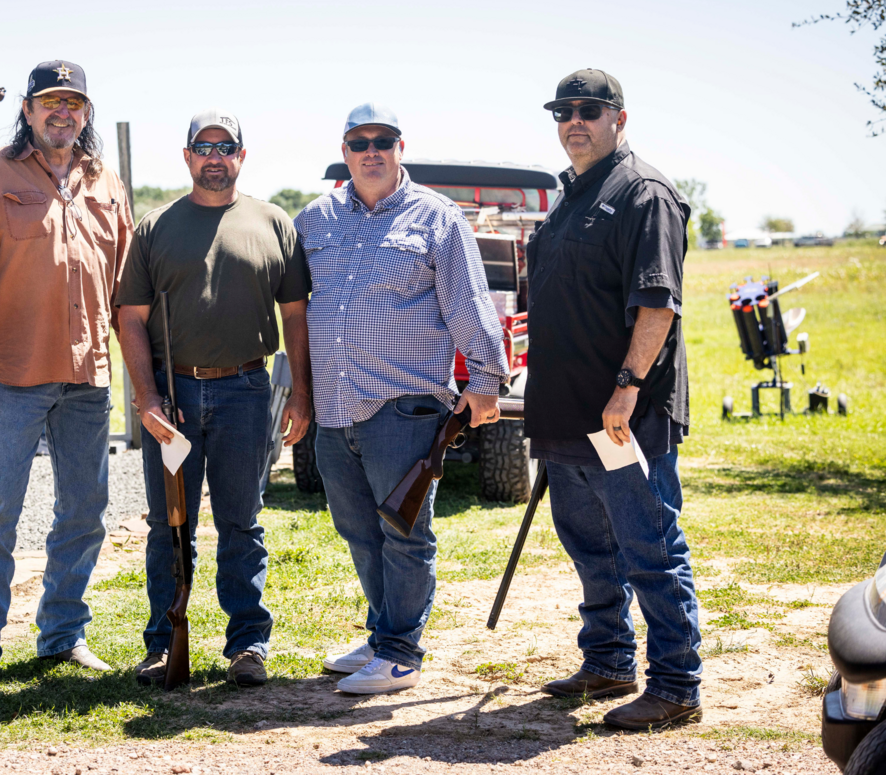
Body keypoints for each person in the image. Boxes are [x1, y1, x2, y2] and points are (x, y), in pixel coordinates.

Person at [293, 103, 509, 695]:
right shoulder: (314, 219)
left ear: (400, 147)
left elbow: (468, 301)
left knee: (404, 530)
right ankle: (382, 633)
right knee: (358, 529)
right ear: (344, 152)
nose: (372, 151)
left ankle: (400, 654)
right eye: (359, 142)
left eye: (382, 141)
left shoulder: (436, 216)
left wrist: (485, 379)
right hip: (335, 405)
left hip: (404, 404)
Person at [0, 60, 133, 685]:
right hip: (10, 375)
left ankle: (61, 635)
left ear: (86, 113)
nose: (62, 112)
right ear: (27, 110)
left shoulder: (106, 181)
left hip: (88, 377)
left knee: (84, 510)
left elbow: (128, 290)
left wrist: (146, 371)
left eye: (73, 103)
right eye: (50, 101)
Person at [524, 69, 701, 729]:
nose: (575, 121)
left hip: (622, 418)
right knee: (591, 550)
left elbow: (658, 305)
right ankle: (607, 661)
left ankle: (677, 685)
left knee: (649, 547)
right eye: (563, 111)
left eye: (589, 110)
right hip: (567, 415)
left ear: (618, 119)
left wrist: (626, 390)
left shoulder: (642, 193)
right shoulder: (571, 196)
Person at [116, 109, 312, 688]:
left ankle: (248, 645)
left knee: (241, 522)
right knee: (167, 525)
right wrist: (148, 399)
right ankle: (161, 643)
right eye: (203, 147)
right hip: (172, 396)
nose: (215, 157)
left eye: (226, 147)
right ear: (187, 157)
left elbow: (295, 316)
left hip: (248, 391)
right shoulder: (155, 227)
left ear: (241, 157)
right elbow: (130, 319)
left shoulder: (274, 222)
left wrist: (300, 393)